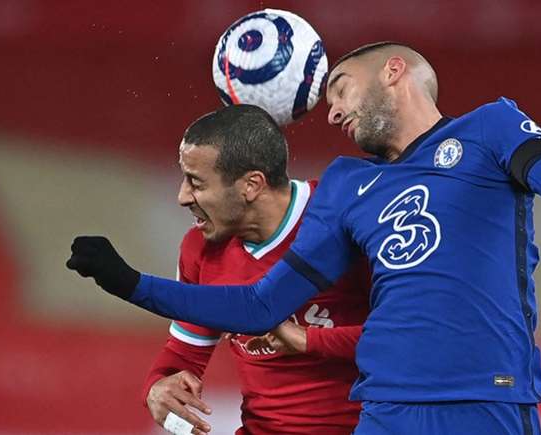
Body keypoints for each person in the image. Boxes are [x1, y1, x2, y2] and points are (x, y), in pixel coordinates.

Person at [67, 42, 541, 434]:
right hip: (384, 410)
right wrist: (126, 280)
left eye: (338, 87)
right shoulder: (348, 185)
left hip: (487, 396)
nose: (330, 110)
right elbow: (259, 305)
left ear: (394, 71)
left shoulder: (490, 130)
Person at [137, 104, 369, 435]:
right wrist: (158, 386)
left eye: (196, 182)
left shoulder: (350, 221)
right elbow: (183, 355)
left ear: (251, 185)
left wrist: (308, 340)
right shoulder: (199, 249)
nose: (182, 197)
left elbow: (416, 338)